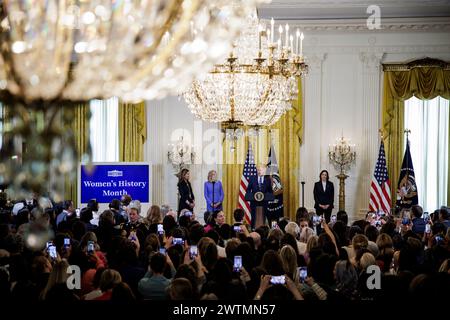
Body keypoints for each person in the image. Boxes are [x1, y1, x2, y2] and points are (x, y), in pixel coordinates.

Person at [247, 164, 273, 230]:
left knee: (263, 217)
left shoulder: (268, 179)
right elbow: (248, 189)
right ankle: (253, 229)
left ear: (264, 170)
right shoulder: (252, 178)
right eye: (258, 170)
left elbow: (270, 191)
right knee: (253, 217)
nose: (259, 171)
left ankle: (263, 230)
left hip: (264, 203)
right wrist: (250, 195)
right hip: (254, 202)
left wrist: (266, 195)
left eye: (260, 170)